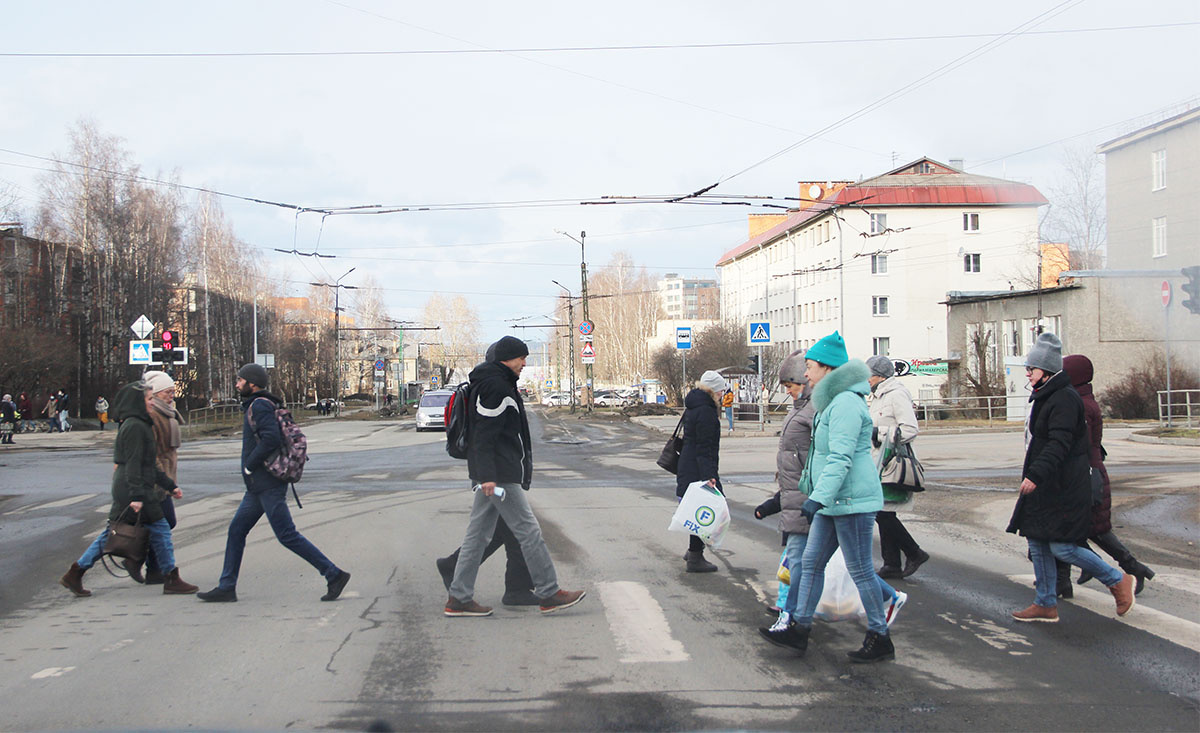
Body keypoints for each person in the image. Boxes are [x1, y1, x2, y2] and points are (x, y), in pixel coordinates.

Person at [758, 331, 901, 663]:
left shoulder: (847, 403)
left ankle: (880, 636)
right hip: (831, 501)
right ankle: (799, 628)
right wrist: (816, 495)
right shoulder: (831, 401)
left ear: (828, 368)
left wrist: (815, 497)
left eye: (810, 367)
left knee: (861, 569)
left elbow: (840, 458)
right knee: (811, 563)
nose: (805, 374)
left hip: (849, 502)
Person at [445, 336, 585, 617]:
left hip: (494, 474)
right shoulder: (495, 387)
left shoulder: (496, 383)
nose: (524, 363)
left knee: (478, 535)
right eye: (521, 358)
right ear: (505, 359)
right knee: (528, 531)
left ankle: (459, 597)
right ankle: (548, 591)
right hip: (499, 477)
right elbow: (484, 435)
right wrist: (487, 476)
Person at [1006, 333, 1136, 623]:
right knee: (1038, 541)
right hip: (1047, 484)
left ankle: (1117, 579)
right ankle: (1045, 603)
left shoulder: (1064, 399)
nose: (1027, 372)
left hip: (1063, 486)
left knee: (1062, 546)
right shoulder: (1046, 395)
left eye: (1031, 368)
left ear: (1047, 371)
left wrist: (1035, 475)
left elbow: (1058, 443)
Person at [197, 363, 351, 603]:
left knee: (287, 535)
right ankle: (227, 586)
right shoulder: (260, 404)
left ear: (253, 383)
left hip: (267, 483)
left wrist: (250, 464)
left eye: (240, 381)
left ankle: (333, 574)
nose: (237, 384)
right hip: (258, 487)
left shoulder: (259, 405)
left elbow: (270, 438)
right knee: (236, 530)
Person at [59, 379, 198, 597]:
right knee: (157, 528)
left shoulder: (141, 424)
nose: (152, 403)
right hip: (133, 486)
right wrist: (136, 496)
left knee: (113, 534)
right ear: (138, 402)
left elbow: (148, 463)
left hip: (135, 484)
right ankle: (170, 577)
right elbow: (134, 463)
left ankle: (76, 573)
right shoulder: (134, 426)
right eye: (149, 399)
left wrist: (169, 486)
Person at [1062, 354, 1155, 594]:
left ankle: (1129, 568)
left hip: (1088, 475)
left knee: (1091, 529)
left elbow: (1080, 444)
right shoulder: (1082, 399)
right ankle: (1115, 566)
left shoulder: (1081, 404)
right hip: (1091, 472)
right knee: (1082, 528)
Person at [754, 351, 814, 614]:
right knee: (796, 557)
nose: (788, 392)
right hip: (794, 495)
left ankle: (793, 613)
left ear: (804, 380)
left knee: (800, 558)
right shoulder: (799, 409)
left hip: (806, 497)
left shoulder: (814, 410)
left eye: (789, 386)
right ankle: (790, 608)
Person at [865, 355, 930, 580]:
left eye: (869, 375)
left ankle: (914, 552)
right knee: (883, 511)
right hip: (878, 463)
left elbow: (910, 429)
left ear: (880, 376)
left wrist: (879, 434)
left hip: (891, 463)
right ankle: (891, 564)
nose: (866, 379)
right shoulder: (877, 396)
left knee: (880, 511)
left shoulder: (896, 394)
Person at [123, 372, 182, 585]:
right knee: (163, 522)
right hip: (156, 479)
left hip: (164, 476)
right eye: (168, 392)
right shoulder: (154, 416)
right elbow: (152, 452)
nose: (172, 396)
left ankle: (152, 569)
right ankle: (140, 561)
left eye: (173, 392)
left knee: (157, 523)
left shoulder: (168, 413)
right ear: (155, 394)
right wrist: (162, 480)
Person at [676, 370, 727, 573]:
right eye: (721, 390)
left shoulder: (694, 405)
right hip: (698, 469)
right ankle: (695, 557)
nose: (723, 394)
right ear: (713, 390)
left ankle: (693, 551)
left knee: (698, 510)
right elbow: (704, 448)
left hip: (688, 466)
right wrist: (710, 477)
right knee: (705, 511)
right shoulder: (706, 411)